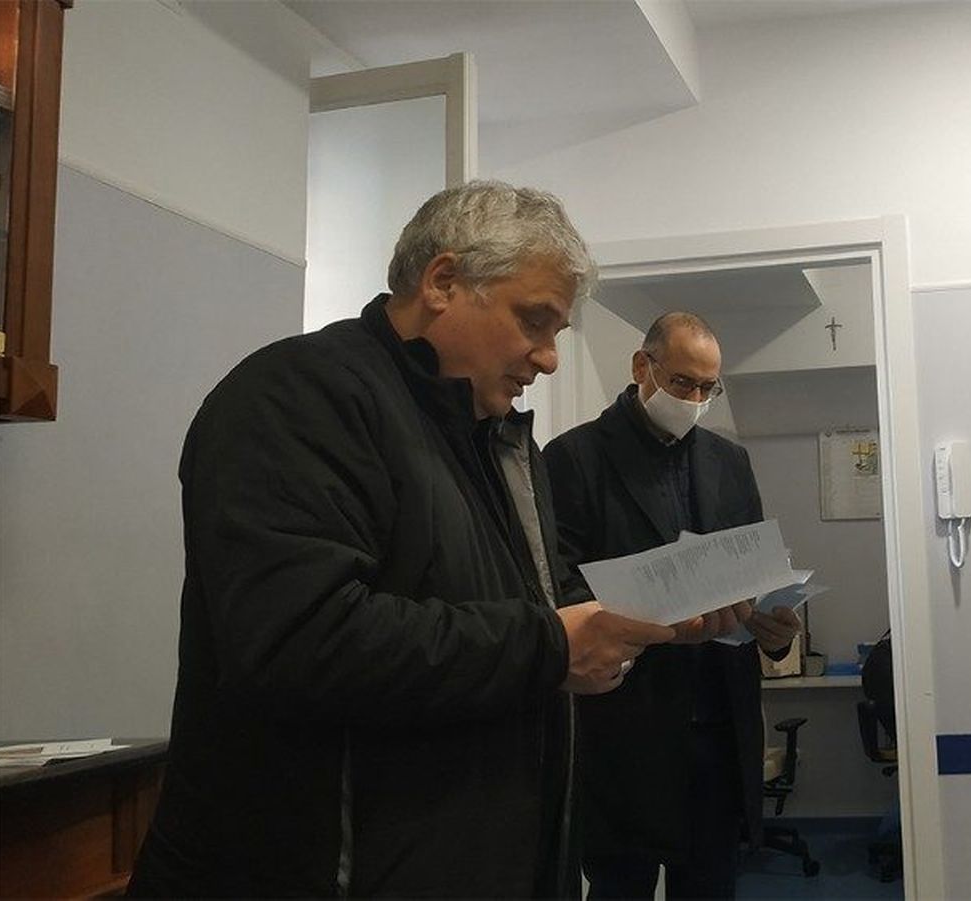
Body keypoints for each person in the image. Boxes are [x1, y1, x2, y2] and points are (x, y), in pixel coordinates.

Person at [128, 182, 675, 897]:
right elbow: (298, 639)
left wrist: (642, 616)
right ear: (443, 281)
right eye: (533, 321)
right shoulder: (292, 397)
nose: (548, 358)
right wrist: (550, 645)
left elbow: (538, 600)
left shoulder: (503, 442)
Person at [544, 312, 802, 900]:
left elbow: (756, 569)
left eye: (709, 389)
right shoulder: (574, 459)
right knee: (620, 888)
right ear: (643, 366)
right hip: (625, 726)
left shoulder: (728, 462)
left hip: (718, 724)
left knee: (713, 887)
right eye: (683, 383)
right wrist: (652, 619)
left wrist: (774, 629)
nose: (695, 400)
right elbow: (557, 587)